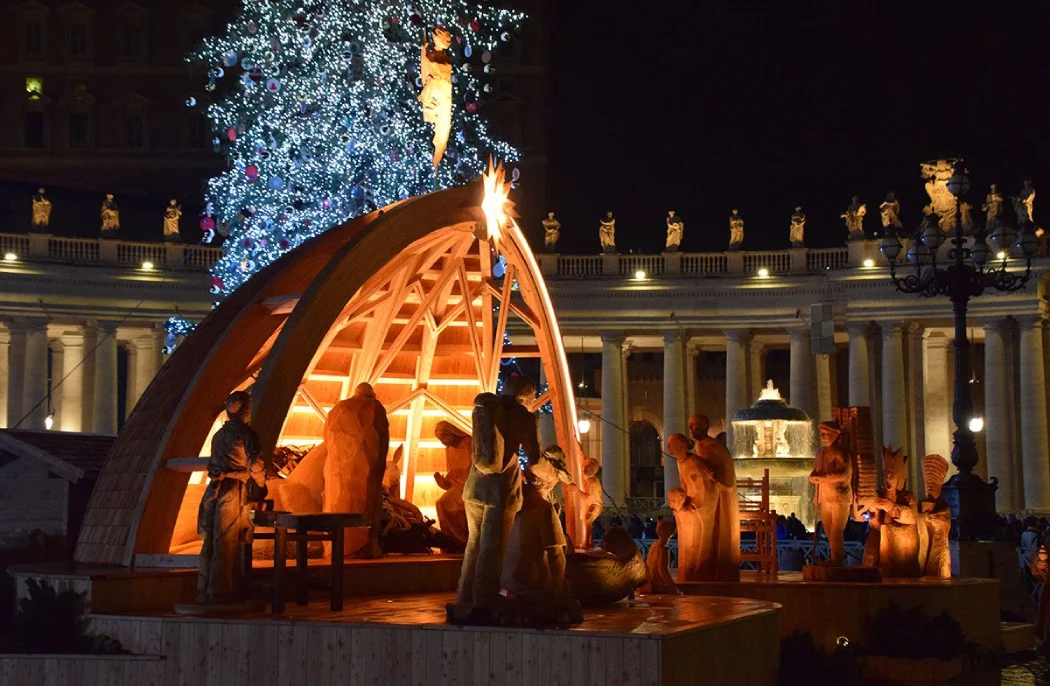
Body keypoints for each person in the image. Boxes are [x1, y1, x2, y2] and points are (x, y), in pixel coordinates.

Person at [452, 376, 538, 621]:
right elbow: (535, 458)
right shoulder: (523, 416)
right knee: (493, 549)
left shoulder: (489, 411)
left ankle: (464, 597)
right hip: (501, 494)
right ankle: (484, 602)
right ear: (528, 398)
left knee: (473, 546)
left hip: (474, 489)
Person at [196, 391, 267, 604]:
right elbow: (256, 464)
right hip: (233, 491)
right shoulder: (246, 435)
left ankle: (203, 589)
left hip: (213, 490)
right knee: (226, 541)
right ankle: (221, 593)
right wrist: (262, 486)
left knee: (210, 539)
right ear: (246, 409)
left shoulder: (219, 435)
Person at [688, 414, 741, 582]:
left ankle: (715, 567)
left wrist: (714, 479)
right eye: (690, 426)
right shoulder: (700, 445)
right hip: (710, 496)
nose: (691, 430)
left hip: (721, 497)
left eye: (694, 426)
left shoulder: (712, 447)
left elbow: (727, 477)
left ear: (704, 427)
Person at [809, 421, 852, 565]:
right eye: (822, 434)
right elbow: (816, 470)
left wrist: (823, 478)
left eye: (826, 434)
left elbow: (845, 473)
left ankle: (837, 559)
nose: (823, 437)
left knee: (836, 530)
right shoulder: (821, 452)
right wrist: (812, 477)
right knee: (827, 528)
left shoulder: (841, 452)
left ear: (835, 435)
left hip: (839, 495)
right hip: (825, 495)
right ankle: (834, 556)